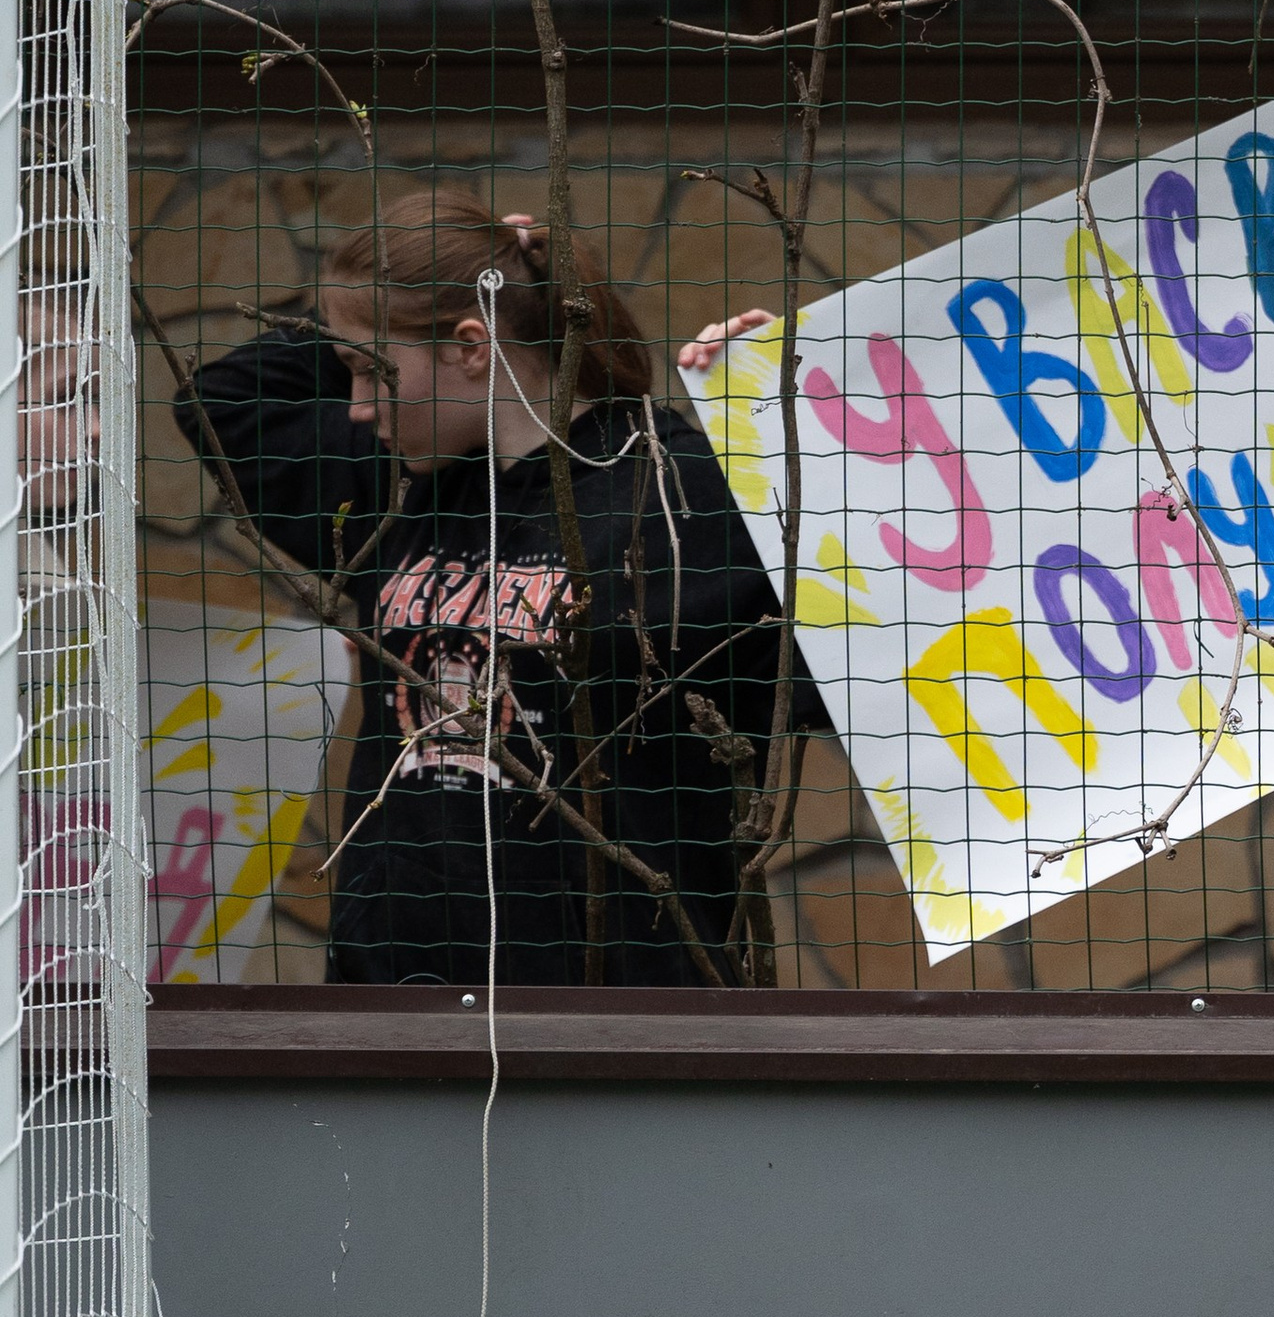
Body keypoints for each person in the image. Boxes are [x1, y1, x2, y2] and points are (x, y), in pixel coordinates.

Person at [177, 201, 808, 984]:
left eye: (374, 369)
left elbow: (866, 660)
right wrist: (383, 301)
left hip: (624, 1006)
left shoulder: (687, 495)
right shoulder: (399, 480)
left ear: (471, 348)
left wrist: (791, 435)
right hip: (394, 1000)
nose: (358, 405)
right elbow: (223, 398)